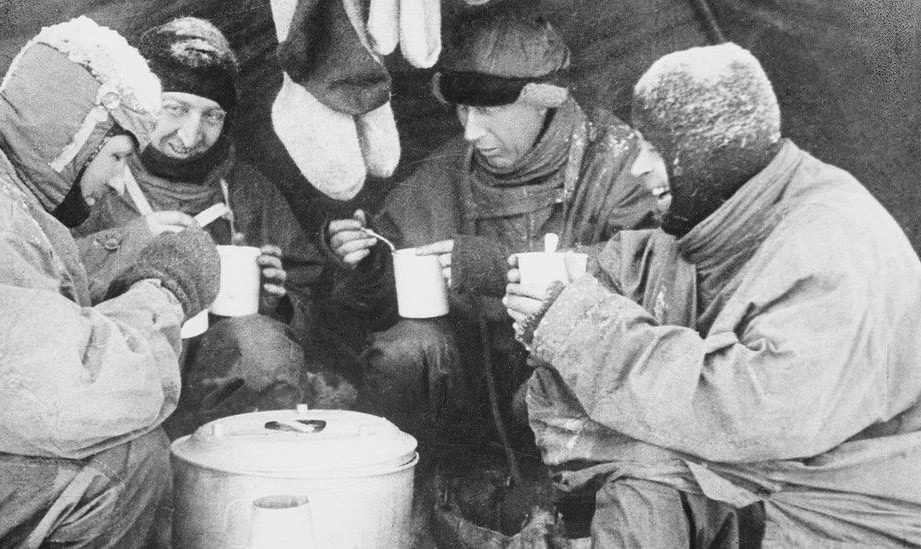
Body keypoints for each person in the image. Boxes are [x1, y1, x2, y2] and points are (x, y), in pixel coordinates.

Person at [504, 42, 921, 546]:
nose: (637, 168)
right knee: (639, 480)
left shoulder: (832, 242)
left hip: (842, 506)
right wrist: (553, 277)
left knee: (637, 460)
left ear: (704, 156)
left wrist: (580, 329)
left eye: (653, 150)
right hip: (769, 475)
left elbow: (751, 414)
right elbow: (644, 264)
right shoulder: (741, 206)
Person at [0, 16, 221, 547]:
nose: (118, 177)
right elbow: (83, 400)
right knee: (121, 466)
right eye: (117, 155)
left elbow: (20, 292)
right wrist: (163, 287)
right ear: (75, 134)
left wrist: (109, 259)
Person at [324, 14, 657, 443]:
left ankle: (570, 499)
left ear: (544, 100)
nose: (470, 131)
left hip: (575, 389)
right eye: (462, 109)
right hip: (468, 388)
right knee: (405, 351)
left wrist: (505, 269)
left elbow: (650, 277)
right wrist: (369, 267)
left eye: (487, 109)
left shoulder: (622, 163)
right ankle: (434, 479)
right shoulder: (443, 173)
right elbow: (375, 312)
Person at [75, 17, 336, 437]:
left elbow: (311, 291)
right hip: (121, 369)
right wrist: (126, 243)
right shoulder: (95, 177)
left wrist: (277, 300)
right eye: (174, 108)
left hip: (219, 380)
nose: (191, 135)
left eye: (212, 116)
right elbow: (42, 282)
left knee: (263, 345)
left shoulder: (246, 189)